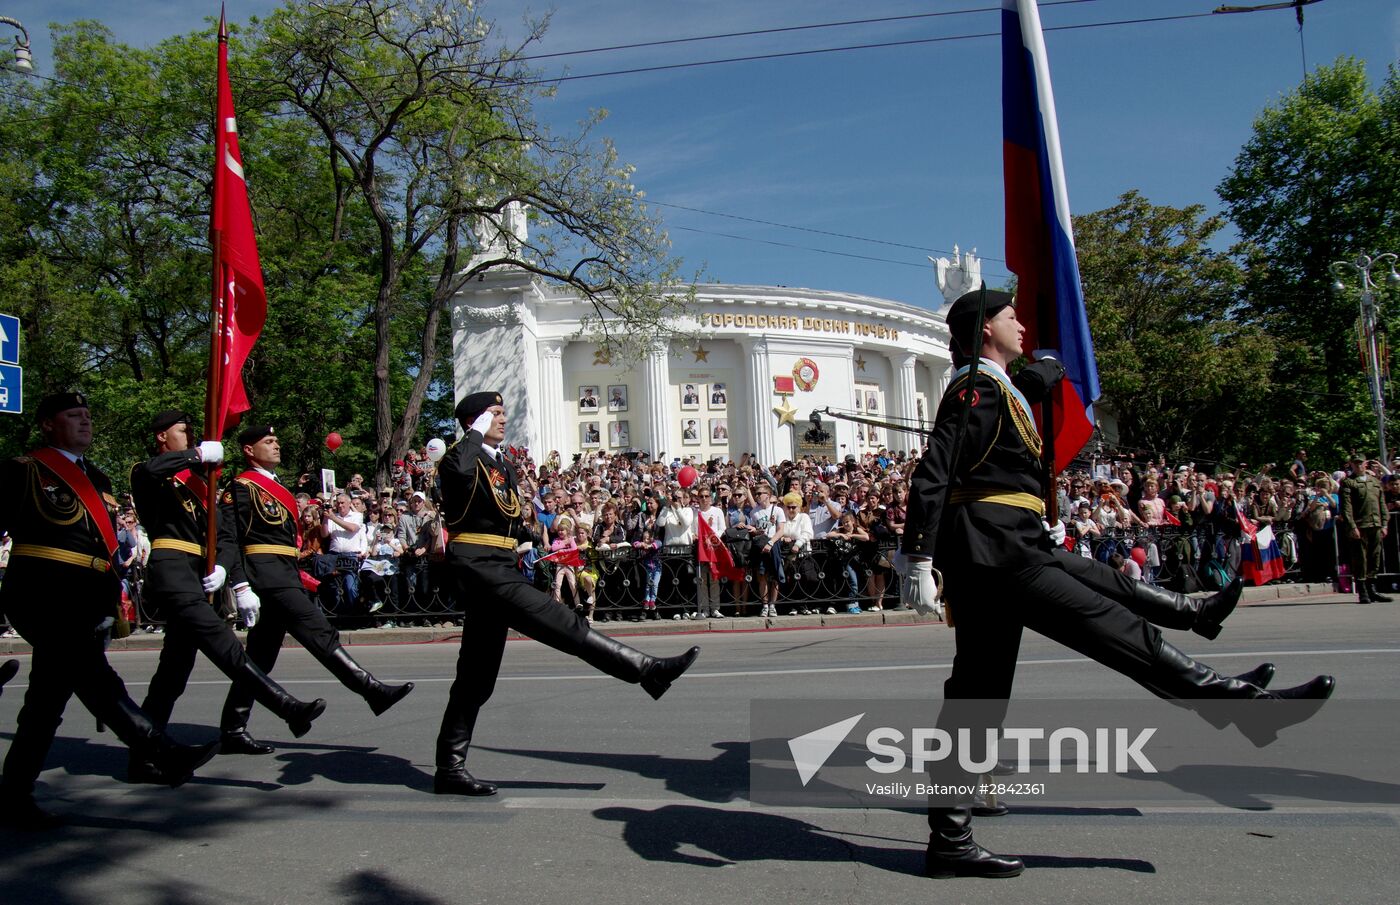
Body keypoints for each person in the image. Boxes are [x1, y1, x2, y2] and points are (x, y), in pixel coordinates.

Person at [898, 289, 1334, 880]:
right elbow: (937, 470)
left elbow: (995, 459)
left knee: (979, 694)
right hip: (998, 554)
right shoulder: (974, 388)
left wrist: (1034, 398)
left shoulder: (993, 387)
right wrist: (917, 559)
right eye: (1011, 317)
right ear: (984, 331)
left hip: (1004, 545)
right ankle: (1244, 704)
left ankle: (950, 837)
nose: (1022, 325)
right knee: (1118, 632)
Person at [433, 392, 700, 797]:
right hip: (478, 567)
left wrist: (521, 538)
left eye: (503, 413)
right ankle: (645, 670)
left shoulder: (499, 461)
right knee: (558, 618)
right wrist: (472, 434)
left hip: (500, 564)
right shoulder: (459, 456)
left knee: (476, 676)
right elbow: (459, 478)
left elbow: (501, 512)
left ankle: (449, 768)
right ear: (476, 420)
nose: (503, 420)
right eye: (496, 414)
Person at [0, 393, 221, 829]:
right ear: (48, 425)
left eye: (87, 416)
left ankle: (13, 795)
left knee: (45, 703)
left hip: (82, 598)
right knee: (98, 680)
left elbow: (98, 549)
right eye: (73, 416)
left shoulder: (96, 478)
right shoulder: (24, 470)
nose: (85, 422)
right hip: (41, 592)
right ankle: (161, 751)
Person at [131, 411, 326, 782]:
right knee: (225, 646)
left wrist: (223, 567)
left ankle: (143, 755)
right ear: (161, 437)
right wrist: (196, 457)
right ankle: (286, 708)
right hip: (174, 573)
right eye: (183, 433)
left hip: (201, 578)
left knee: (173, 673)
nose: (190, 439)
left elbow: (222, 533)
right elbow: (152, 472)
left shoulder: (201, 483)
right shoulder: (150, 472)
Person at [215, 425, 414, 756]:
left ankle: (233, 728)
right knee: (317, 628)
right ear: (249, 450)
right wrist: (240, 583)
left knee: (260, 656)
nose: (277, 445)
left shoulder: (275, 487)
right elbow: (229, 539)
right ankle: (370, 690)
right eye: (268, 441)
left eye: (277, 440)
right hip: (266, 576)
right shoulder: (241, 487)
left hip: (285, 573)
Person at [1339, 452, 1392, 604]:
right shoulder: (1349, 483)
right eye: (1355, 463)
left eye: (1360, 463)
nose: (1358, 465)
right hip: (1360, 525)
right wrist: (1352, 526)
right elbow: (1346, 508)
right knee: (1360, 558)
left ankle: (1372, 589)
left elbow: (1381, 504)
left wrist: (1384, 523)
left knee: (1375, 557)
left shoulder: (1374, 482)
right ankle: (1362, 590)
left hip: (1375, 524)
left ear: (1365, 464)